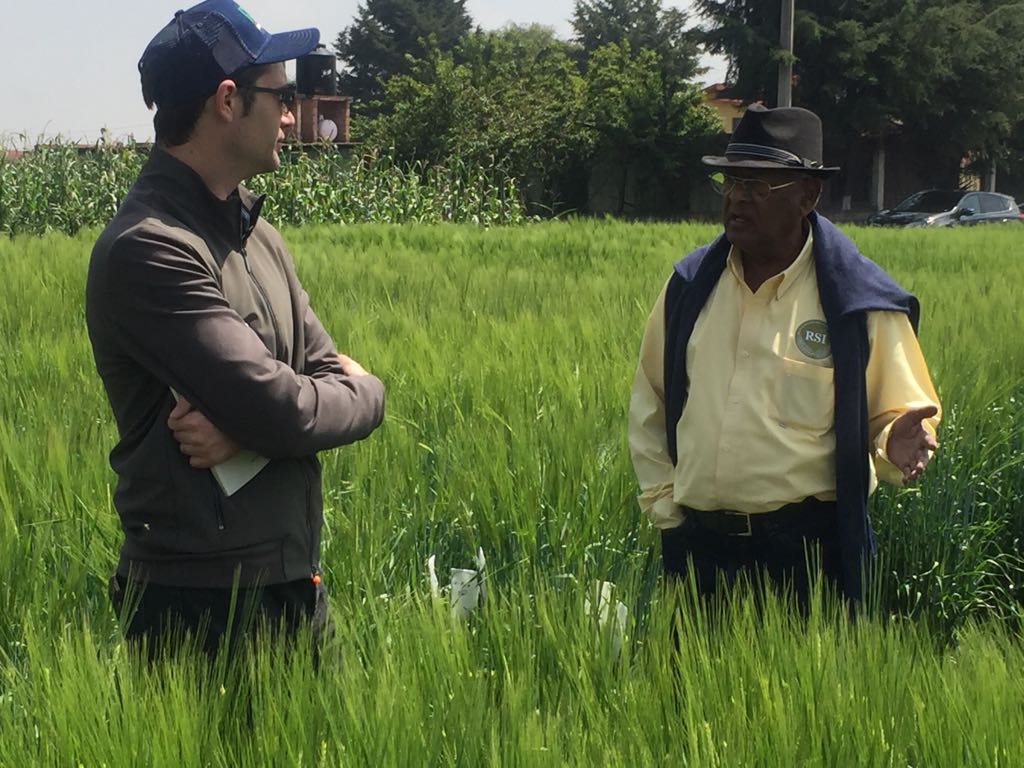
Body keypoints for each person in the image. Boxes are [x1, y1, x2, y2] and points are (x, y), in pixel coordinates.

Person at [86, 0, 386, 657]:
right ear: (228, 101)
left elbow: (298, 391)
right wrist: (370, 395)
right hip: (201, 607)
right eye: (281, 94)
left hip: (292, 583)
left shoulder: (261, 238)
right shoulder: (150, 249)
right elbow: (283, 408)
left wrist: (251, 432)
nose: (290, 114)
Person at [628, 104, 940, 606]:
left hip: (806, 559)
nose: (735, 200)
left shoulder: (857, 301)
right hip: (698, 553)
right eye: (730, 183)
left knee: (804, 688)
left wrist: (892, 439)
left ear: (807, 195)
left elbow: (896, 411)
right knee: (684, 685)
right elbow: (651, 401)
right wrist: (667, 510)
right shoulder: (688, 287)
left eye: (756, 186)